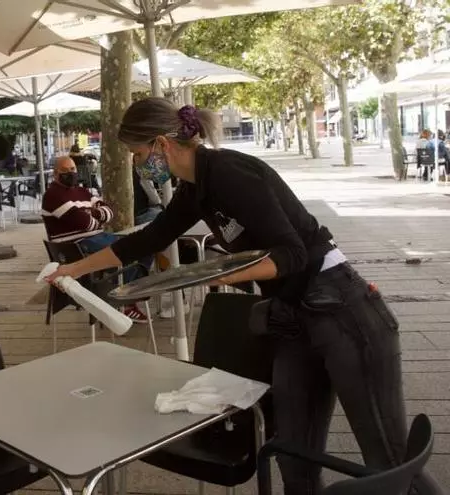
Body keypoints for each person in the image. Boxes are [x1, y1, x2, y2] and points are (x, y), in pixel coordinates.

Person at [46, 97, 442, 495]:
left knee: (388, 462)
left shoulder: (229, 173)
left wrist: (215, 275)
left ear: (161, 144)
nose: (137, 164)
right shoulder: (195, 187)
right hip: (293, 315)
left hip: (342, 310)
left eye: (137, 153)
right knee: (294, 458)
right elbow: (149, 238)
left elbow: (292, 254)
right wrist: (74, 269)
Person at [41, 156, 150, 322]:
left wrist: (91, 213)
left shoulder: (82, 191)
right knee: (126, 251)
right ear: (56, 174)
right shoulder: (53, 195)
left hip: (98, 237)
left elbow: (109, 212)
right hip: (77, 246)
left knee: (145, 245)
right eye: (65, 171)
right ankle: (126, 301)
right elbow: (85, 224)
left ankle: (130, 292)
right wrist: (94, 215)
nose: (71, 173)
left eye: (72, 169)